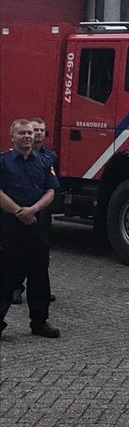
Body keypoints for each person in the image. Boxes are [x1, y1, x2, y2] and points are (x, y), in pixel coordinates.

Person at [0, 119, 61, 338]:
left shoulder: (44, 162)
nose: (27, 136)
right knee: (7, 273)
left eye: (30, 133)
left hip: (37, 225)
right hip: (10, 224)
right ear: (12, 137)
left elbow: (51, 191)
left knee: (39, 273)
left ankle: (39, 322)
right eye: (22, 133)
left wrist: (32, 210)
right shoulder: (4, 162)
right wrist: (19, 212)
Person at [11, 117, 59, 305]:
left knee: (41, 254)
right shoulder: (7, 160)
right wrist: (19, 210)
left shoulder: (49, 158)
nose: (36, 134)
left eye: (39, 130)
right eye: (33, 130)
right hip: (15, 214)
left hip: (41, 212)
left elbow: (52, 186)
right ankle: (15, 288)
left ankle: (40, 294)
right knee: (15, 254)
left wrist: (39, 208)